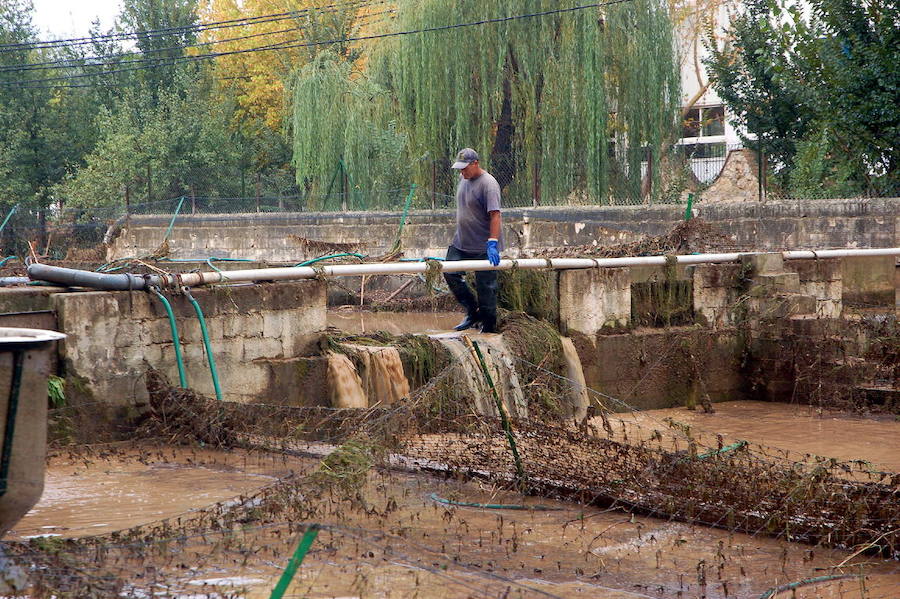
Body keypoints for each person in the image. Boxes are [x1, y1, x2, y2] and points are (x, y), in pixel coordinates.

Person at [444, 148, 502, 334]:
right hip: (461, 241)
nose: (462, 172)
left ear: (475, 163)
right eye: (460, 169)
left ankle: (489, 326)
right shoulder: (464, 179)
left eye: (465, 168)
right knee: (450, 272)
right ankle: (472, 311)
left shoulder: (488, 184)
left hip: (483, 245)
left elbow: (495, 215)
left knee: (486, 287)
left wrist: (492, 242)